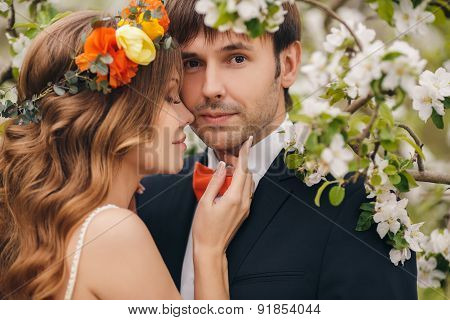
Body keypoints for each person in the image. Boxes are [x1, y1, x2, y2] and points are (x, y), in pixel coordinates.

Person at [137, 0, 418, 299]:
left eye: (236, 58)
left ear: (287, 65)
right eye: (192, 63)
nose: (210, 87)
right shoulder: (146, 196)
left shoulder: (361, 205)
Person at [0, 5, 253, 299]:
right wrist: (209, 251)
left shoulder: (52, 228)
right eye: (170, 98)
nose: (187, 115)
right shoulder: (113, 233)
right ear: (116, 113)